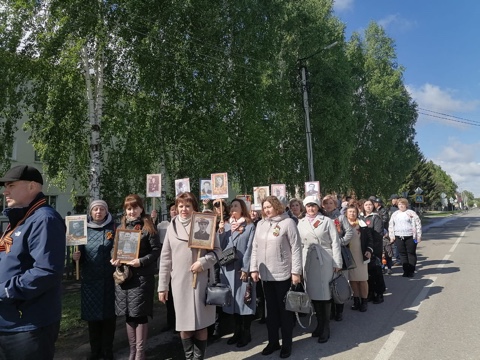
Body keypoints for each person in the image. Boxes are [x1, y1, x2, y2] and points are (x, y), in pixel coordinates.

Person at [0, 165, 66, 360]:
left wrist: (4, 290)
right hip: (10, 322)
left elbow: (46, 271)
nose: (5, 191)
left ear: (31, 187)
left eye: (11, 185)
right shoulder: (21, 219)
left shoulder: (44, 219)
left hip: (28, 326)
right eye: (5, 186)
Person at [158, 192, 221, 360]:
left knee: (201, 326)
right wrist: (162, 286)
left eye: (187, 206)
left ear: (194, 207)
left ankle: (198, 358)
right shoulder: (172, 227)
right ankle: (189, 357)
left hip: (201, 282)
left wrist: (204, 262)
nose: (183, 209)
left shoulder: (204, 223)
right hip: (180, 284)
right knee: (184, 326)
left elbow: (217, 252)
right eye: (180, 206)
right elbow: (165, 258)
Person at [250, 196, 302, 359]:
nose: (266, 210)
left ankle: (287, 344)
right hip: (266, 275)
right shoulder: (261, 224)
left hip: (283, 274)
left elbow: (296, 248)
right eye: (264, 207)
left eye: (269, 207)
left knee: (284, 312)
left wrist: (296, 272)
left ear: (277, 207)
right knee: (270, 312)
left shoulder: (288, 223)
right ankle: (273, 342)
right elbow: (255, 248)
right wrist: (254, 269)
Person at [111, 194, 160, 360]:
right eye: (128, 208)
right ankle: (132, 350)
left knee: (140, 314)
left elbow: (155, 251)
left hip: (141, 278)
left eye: (135, 207)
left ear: (141, 208)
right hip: (125, 278)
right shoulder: (121, 228)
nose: (131, 211)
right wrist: (114, 258)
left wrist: (141, 261)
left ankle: (140, 352)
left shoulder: (148, 227)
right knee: (128, 314)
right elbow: (114, 249)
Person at [72, 200, 116, 360]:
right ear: (91, 212)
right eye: (95, 209)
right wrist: (76, 257)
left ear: (106, 211)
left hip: (109, 280)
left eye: (102, 209)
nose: (98, 212)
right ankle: (95, 351)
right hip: (90, 281)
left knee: (109, 318)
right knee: (93, 319)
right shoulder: (83, 229)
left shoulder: (114, 228)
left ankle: (108, 351)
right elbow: (80, 255)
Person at [297, 196, 341, 343]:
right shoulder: (300, 222)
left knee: (325, 294)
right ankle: (319, 324)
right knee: (314, 295)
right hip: (308, 259)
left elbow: (335, 242)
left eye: (314, 206)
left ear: (318, 207)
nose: (311, 209)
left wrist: (337, 263)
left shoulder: (326, 221)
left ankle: (326, 327)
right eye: (308, 206)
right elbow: (298, 245)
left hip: (325, 259)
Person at [219, 199, 256, 348]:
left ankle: (246, 332)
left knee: (244, 301)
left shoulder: (249, 226)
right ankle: (236, 331)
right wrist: (221, 232)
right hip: (228, 269)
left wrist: (246, 268)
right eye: (231, 206)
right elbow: (219, 247)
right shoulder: (226, 225)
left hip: (241, 269)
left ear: (242, 209)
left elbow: (251, 247)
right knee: (233, 301)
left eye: (236, 206)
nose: (232, 208)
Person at [340, 204, 373, 312]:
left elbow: (369, 239)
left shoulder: (362, 224)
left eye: (354, 212)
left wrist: (369, 250)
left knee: (362, 279)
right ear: (346, 213)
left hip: (361, 255)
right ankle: (356, 300)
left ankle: (364, 301)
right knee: (353, 280)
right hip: (349, 255)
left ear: (357, 213)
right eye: (350, 212)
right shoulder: (342, 225)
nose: (352, 214)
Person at [157, 202, 178, 333]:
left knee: (177, 297)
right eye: (172, 210)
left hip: (178, 267)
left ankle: (178, 322)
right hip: (167, 266)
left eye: (176, 209)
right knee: (168, 296)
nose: (174, 211)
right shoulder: (164, 226)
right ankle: (170, 321)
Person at [388, 198, 422, 278]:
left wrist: (418, 236)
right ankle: (405, 270)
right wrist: (392, 236)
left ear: (406, 205)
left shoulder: (411, 213)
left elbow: (418, 224)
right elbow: (391, 225)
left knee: (411, 253)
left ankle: (411, 270)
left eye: (403, 204)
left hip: (410, 236)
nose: (401, 206)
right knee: (402, 254)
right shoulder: (395, 214)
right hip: (399, 236)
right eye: (399, 204)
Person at [362, 199, 386, 304]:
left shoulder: (376, 217)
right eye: (366, 205)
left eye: (370, 205)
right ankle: (370, 292)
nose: (368, 206)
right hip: (364, 249)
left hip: (374, 249)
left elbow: (377, 235)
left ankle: (379, 293)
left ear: (373, 206)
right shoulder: (361, 217)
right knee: (367, 274)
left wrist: (372, 250)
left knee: (376, 272)